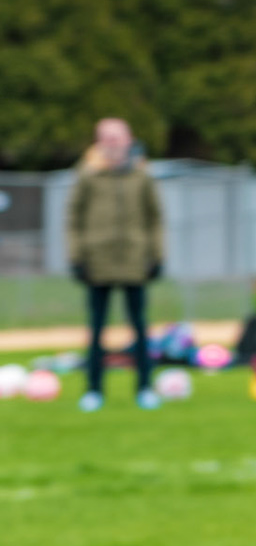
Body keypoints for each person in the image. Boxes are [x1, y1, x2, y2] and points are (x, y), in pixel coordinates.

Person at [65, 119, 164, 412]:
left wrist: (156, 256)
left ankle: (145, 388)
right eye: (105, 138)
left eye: (116, 137)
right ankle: (94, 390)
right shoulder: (87, 174)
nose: (112, 143)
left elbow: (155, 218)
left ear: (128, 139)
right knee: (96, 329)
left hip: (134, 261)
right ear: (98, 141)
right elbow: (73, 219)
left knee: (140, 327)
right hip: (98, 262)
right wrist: (77, 257)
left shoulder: (141, 175)